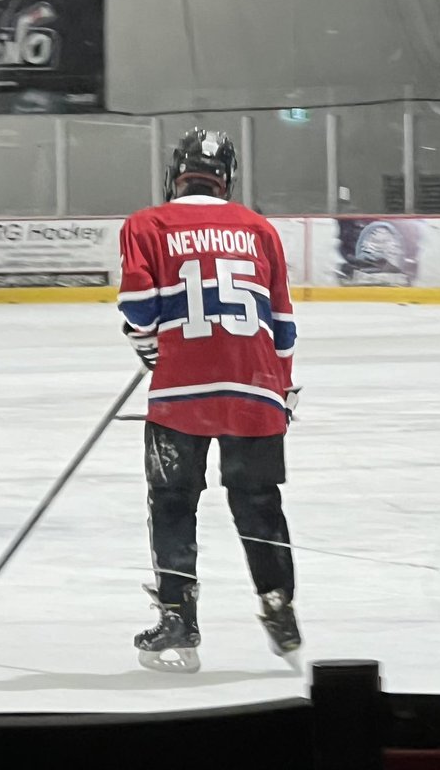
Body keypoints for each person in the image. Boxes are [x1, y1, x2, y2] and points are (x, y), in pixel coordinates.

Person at [118, 128, 301, 672]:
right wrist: (281, 390)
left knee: (173, 501)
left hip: (182, 391)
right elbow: (284, 328)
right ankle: (279, 608)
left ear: (176, 171)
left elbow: (140, 310)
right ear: (228, 177)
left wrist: (145, 346)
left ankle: (178, 614)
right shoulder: (260, 230)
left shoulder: (146, 224)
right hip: (257, 387)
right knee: (258, 502)